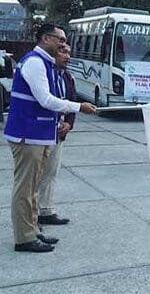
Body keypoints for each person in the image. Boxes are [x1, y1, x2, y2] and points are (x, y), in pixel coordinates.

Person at [3, 24, 96, 253]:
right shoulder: (35, 62)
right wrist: (78, 107)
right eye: (60, 39)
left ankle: (33, 230)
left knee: (34, 187)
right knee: (25, 188)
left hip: (39, 135)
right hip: (28, 135)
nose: (64, 44)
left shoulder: (46, 63)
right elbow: (45, 100)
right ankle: (24, 238)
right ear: (46, 39)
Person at [37, 44, 76, 226]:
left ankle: (46, 210)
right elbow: (45, 101)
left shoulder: (67, 77)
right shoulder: (45, 74)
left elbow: (71, 102)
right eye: (62, 52)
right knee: (37, 175)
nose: (67, 56)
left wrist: (68, 123)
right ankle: (32, 216)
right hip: (42, 131)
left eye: (68, 52)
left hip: (59, 132)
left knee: (52, 172)